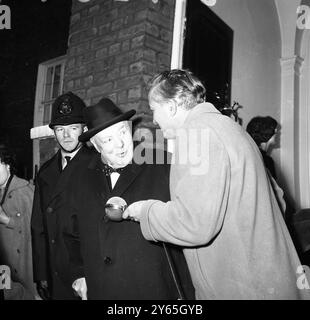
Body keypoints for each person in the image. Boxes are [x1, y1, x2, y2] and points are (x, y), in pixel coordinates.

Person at [123, 69, 310, 300]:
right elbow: (279, 200)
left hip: (241, 290)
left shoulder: (197, 132)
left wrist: (145, 211)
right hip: (272, 281)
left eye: (154, 110)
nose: (154, 120)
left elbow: (193, 223)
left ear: (170, 106)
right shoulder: (232, 129)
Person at [63, 97, 195, 300]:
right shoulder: (80, 178)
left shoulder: (164, 164)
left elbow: (189, 224)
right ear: (96, 147)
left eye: (122, 132)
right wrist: (79, 274)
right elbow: (71, 234)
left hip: (155, 291)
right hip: (102, 290)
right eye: (107, 140)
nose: (120, 145)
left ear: (130, 129)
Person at [31, 92, 95, 300]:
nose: (66, 136)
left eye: (73, 128)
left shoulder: (98, 166)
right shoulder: (45, 172)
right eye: (60, 129)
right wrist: (41, 274)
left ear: (84, 129)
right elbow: (38, 226)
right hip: (55, 271)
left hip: (87, 273)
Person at [0, 147, 36, 299]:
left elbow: (34, 228)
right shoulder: (1, 189)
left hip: (23, 265)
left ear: (7, 165)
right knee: (7, 293)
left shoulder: (24, 189)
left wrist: (6, 220)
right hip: (4, 263)